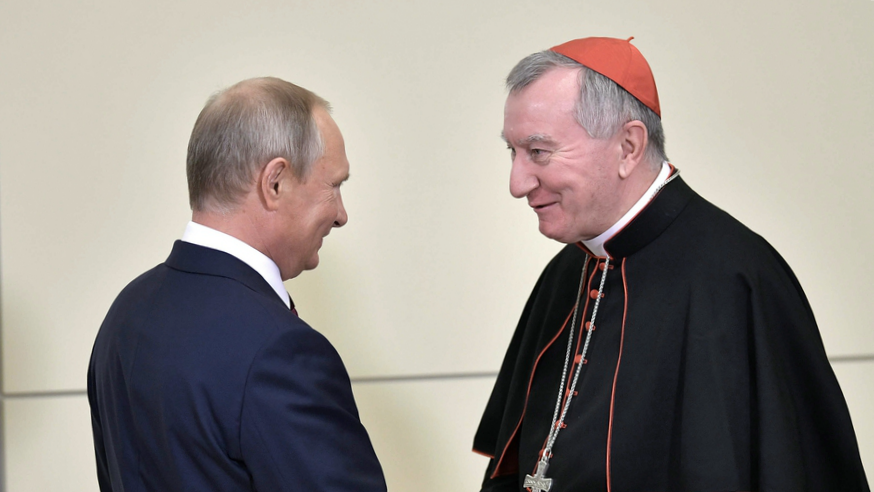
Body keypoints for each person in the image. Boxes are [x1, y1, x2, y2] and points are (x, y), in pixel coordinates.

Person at [473, 37, 869, 492]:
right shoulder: (565, 274)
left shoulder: (736, 278)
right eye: (513, 151)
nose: (517, 183)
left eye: (538, 152)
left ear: (628, 146)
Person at [88, 77, 386, 491]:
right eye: (333, 186)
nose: (341, 214)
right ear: (275, 182)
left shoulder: (126, 313)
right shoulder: (282, 353)